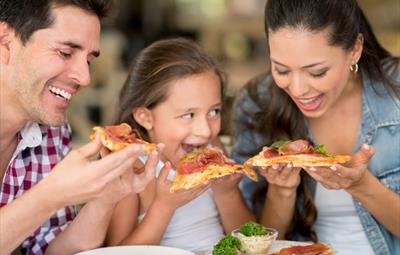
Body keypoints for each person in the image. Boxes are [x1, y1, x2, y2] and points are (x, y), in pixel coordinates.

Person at [231, 0, 400, 255]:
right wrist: (282, 190)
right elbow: (258, 245)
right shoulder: (257, 103)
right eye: (281, 69)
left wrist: (361, 185)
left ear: (355, 49)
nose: (298, 90)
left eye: (317, 72)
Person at [0, 1, 161, 254]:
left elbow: (52, 249)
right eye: (65, 53)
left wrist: (105, 197)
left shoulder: (50, 130)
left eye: (88, 60)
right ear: (5, 42)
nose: (85, 78)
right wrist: (52, 194)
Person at [105, 38, 255, 252]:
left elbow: (250, 243)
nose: (205, 131)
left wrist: (227, 194)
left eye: (214, 112)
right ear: (145, 117)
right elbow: (116, 252)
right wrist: (164, 206)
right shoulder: (132, 169)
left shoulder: (214, 152)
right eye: (188, 115)